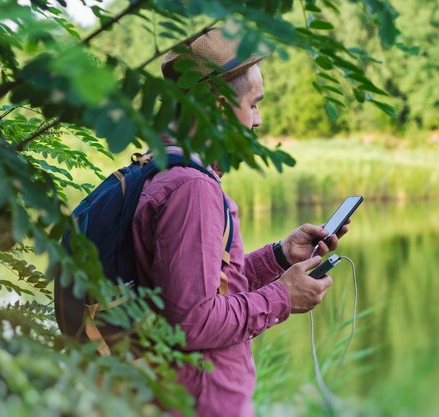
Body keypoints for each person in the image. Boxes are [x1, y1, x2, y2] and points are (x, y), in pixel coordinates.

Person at [132, 28, 349, 417]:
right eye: (253, 104)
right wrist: (283, 296)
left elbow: (194, 288)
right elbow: (192, 321)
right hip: (201, 402)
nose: (258, 120)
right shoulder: (191, 188)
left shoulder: (162, 164)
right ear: (217, 107)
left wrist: (280, 257)